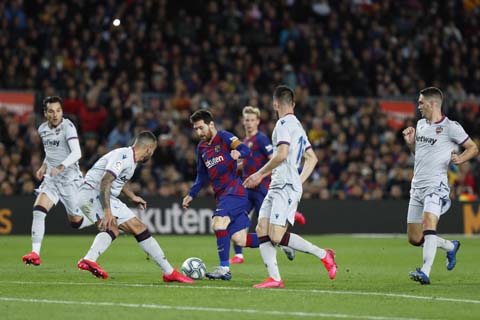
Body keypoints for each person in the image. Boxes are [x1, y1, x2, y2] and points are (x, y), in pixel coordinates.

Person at [244, 85, 337, 288]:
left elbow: (282, 154)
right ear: (293, 104)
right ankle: (275, 278)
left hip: (284, 184)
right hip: (281, 183)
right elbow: (312, 158)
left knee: (275, 236)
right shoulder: (298, 126)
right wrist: (299, 181)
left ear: (275, 104)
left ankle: (324, 254)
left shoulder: (282, 125)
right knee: (261, 228)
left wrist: (259, 174)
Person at [76, 131, 193, 283]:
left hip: (105, 195)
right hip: (92, 193)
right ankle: (88, 259)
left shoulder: (131, 160)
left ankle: (169, 272)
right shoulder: (123, 156)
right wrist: (107, 211)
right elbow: (105, 181)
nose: (152, 155)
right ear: (149, 149)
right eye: (153, 151)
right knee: (113, 228)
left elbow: (119, 181)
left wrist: (132, 196)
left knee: (138, 227)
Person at [403, 87, 478, 285]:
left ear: (433, 103)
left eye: (421, 103)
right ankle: (450, 246)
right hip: (417, 187)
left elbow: (473, 147)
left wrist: (460, 159)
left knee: (429, 223)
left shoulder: (451, 127)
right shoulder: (420, 125)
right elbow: (418, 155)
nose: (418, 106)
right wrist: (411, 144)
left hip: (436, 186)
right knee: (414, 238)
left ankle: (425, 271)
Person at [182, 109, 259, 280]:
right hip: (222, 196)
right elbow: (201, 175)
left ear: (211, 124)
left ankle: (224, 269)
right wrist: (191, 194)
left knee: (218, 224)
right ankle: (279, 240)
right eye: (196, 129)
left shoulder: (224, 137)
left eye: (201, 128)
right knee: (240, 239)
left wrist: (238, 153)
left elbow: (245, 148)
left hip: (235, 192)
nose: (199, 132)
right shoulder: (201, 148)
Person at [230, 106, 305, 265]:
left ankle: (285, 245)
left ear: (257, 121)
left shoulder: (261, 139)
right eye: (247, 120)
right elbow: (249, 163)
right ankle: (239, 255)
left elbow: (274, 159)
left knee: (269, 229)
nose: (249, 123)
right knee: (235, 218)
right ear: (243, 122)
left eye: (252, 120)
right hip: (248, 189)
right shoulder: (245, 142)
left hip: (262, 189)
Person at [22, 96, 90, 266]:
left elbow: (77, 153)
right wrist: (44, 166)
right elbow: (51, 152)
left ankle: (98, 216)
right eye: (51, 111)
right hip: (52, 180)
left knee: (76, 222)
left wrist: (60, 167)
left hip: (70, 180)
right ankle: (35, 253)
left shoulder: (68, 127)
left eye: (58, 110)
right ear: (45, 113)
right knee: (38, 210)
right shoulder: (42, 129)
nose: (55, 114)